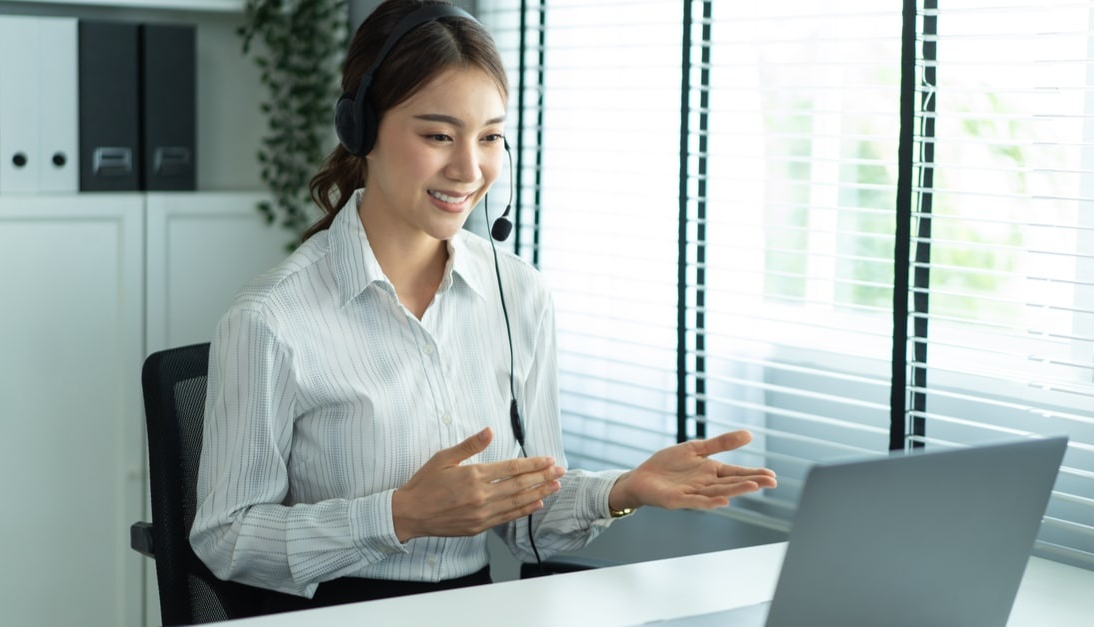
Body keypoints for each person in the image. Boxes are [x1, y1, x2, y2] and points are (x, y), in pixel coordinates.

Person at [190, 0, 777, 614]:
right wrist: (399, 516)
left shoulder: (518, 294)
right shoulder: (272, 318)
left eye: (490, 136)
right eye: (438, 135)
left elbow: (532, 524)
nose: (471, 169)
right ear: (360, 130)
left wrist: (622, 491)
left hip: (478, 605)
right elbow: (225, 540)